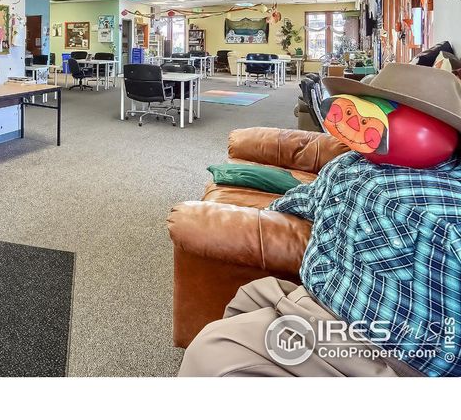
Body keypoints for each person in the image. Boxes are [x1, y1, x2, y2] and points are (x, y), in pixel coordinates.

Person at [180, 63, 461, 377]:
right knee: (246, 303)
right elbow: (308, 199)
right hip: (315, 304)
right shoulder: (349, 163)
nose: (354, 123)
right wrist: (276, 205)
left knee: (211, 352)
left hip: (390, 351)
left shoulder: (444, 211)